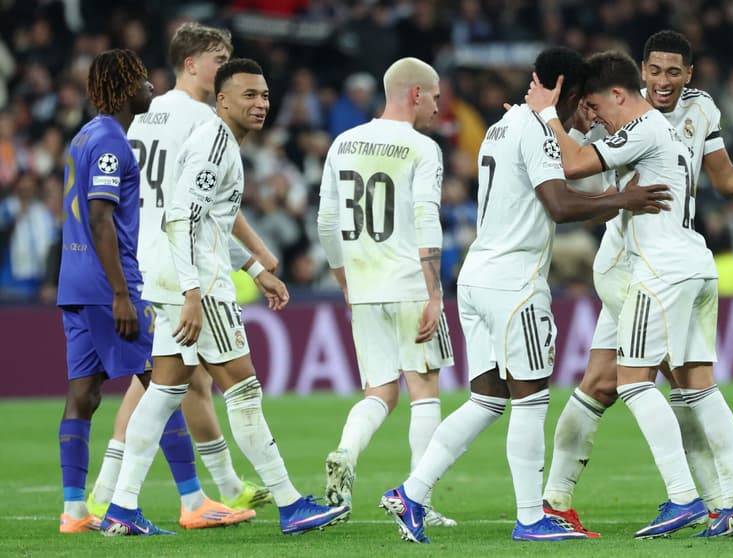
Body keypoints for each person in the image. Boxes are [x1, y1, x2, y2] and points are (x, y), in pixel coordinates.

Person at [379, 46, 672, 544]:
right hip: (514, 285)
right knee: (531, 399)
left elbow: (562, 197)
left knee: (486, 400)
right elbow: (558, 205)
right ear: (572, 93)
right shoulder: (535, 128)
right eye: (585, 104)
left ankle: (412, 494)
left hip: (477, 276)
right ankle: (531, 517)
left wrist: (612, 201)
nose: (589, 115)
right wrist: (626, 197)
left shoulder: (504, 126)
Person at [534, 30, 733, 537]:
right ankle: (727, 502)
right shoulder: (624, 120)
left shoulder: (680, 115)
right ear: (640, 73)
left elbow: (720, 178)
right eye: (654, 71)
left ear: (689, 75)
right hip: (639, 260)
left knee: (627, 382)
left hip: (657, 267)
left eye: (672, 72)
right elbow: (583, 154)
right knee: (674, 383)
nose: (662, 80)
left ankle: (696, 499)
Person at [100, 58, 350, 536]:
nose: (260, 104)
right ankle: (290, 502)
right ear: (222, 100)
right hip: (196, 283)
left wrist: (255, 268)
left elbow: (207, 222)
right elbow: (182, 218)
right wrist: (193, 294)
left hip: (173, 276)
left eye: (265, 96)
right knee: (244, 389)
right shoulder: (216, 145)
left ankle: (121, 508)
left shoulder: (219, 143)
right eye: (249, 96)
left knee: (164, 393)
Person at [85, 22, 275, 528]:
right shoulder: (201, 119)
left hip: (141, 251)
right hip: (176, 259)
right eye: (219, 59)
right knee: (163, 381)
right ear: (191, 64)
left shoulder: (145, 114)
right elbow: (200, 202)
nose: (226, 68)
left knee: (175, 378)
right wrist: (255, 257)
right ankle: (111, 494)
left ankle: (188, 494)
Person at [317, 57, 456, 528]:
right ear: (415, 94)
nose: (439, 107)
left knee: (379, 391)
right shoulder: (422, 147)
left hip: (365, 283)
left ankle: (346, 451)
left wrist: (343, 279)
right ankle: (418, 498)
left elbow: (327, 223)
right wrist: (435, 292)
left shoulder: (343, 142)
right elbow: (426, 219)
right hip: (410, 283)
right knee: (423, 391)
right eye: (435, 96)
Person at [56, 48, 153, 534]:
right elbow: (100, 216)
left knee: (84, 394)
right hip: (104, 285)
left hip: (73, 281)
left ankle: (75, 511)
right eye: (143, 80)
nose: (151, 88)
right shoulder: (113, 142)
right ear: (125, 88)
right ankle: (154, 504)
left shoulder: (84, 135)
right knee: (165, 383)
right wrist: (120, 292)